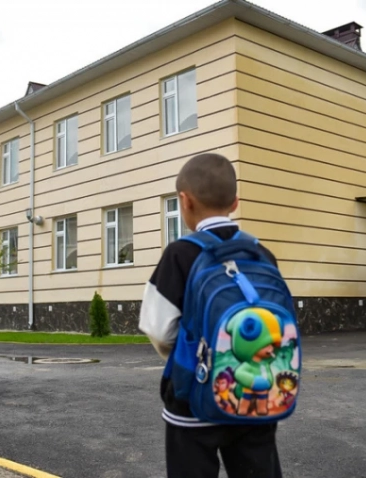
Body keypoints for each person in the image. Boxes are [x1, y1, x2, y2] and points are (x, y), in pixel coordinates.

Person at [139, 153, 282, 478]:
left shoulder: (179, 254)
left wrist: (197, 353)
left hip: (194, 396)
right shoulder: (261, 253)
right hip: (255, 393)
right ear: (235, 202)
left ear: (185, 201)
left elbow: (159, 329)